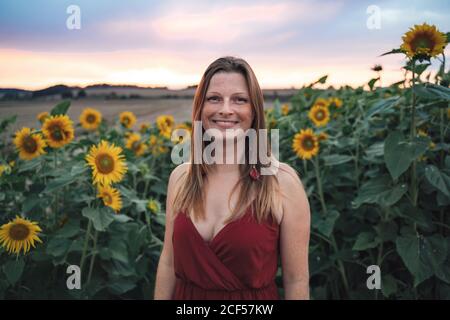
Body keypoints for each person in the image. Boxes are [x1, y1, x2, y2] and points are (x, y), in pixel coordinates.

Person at [154, 56, 310, 300]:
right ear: (200, 108)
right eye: (214, 98)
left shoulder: (282, 183)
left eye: (239, 100)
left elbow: (296, 280)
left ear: (254, 110)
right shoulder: (181, 178)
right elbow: (168, 262)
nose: (225, 109)